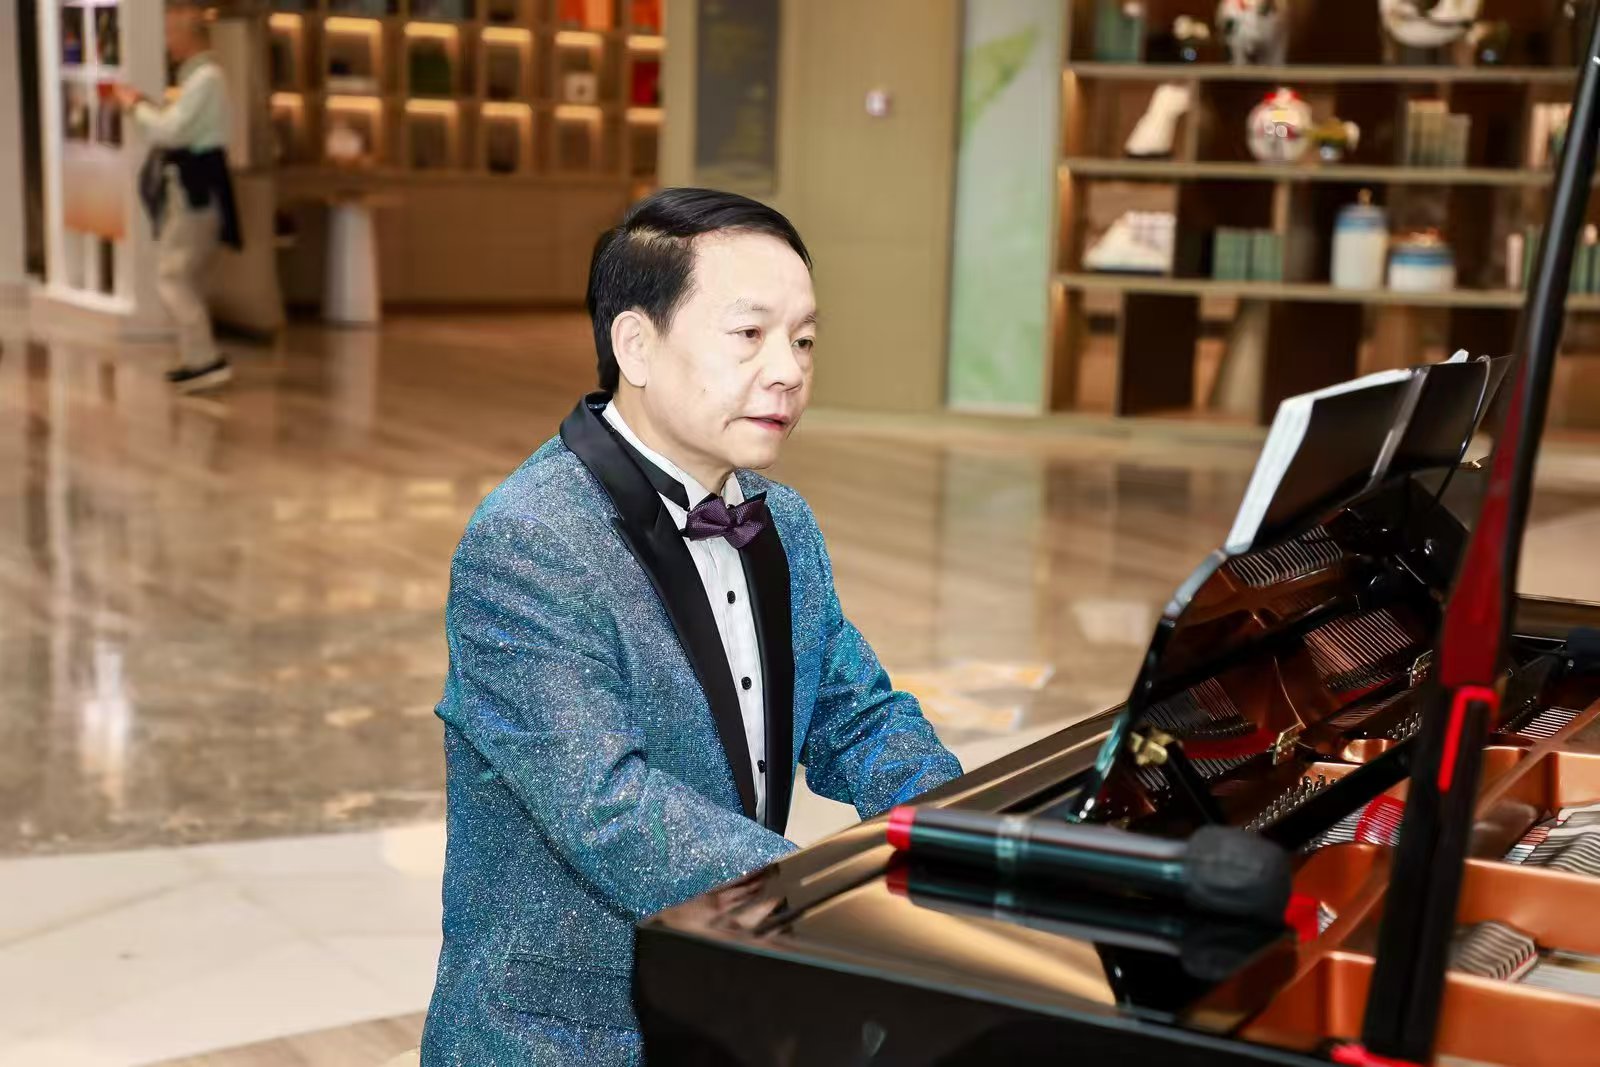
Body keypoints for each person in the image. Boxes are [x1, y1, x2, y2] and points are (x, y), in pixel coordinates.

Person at [422, 188, 962, 1064]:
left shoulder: (781, 519)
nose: (787, 370)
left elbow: (857, 716)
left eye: (804, 340)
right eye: (749, 334)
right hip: (570, 1034)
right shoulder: (531, 540)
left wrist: (963, 833)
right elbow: (609, 805)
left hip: (725, 1004)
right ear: (636, 345)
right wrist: (818, 901)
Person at [115, 2, 239, 393]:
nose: (167, 44)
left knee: (173, 276)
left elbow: (170, 131)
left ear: (189, 35)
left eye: (170, 34)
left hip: (195, 191)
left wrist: (136, 107)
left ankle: (205, 360)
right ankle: (196, 358)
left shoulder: (206, 79)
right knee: (184, 276)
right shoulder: (200, 79)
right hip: (195, 188)